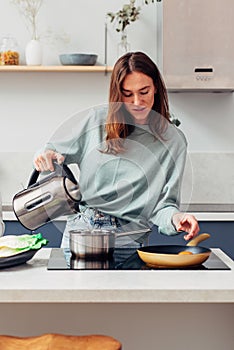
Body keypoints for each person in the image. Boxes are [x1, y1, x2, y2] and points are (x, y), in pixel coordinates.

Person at [34, 51, 199, 249]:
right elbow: (49, 152)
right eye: (127, 94)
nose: (137, 102)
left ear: (156, 87)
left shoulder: (173, 141)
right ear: (117, 93)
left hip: (129, 240)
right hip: (82, 234)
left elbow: (163, 206)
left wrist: (177, 218)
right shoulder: (96, 122)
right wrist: (45, 156)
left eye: (144, 91)